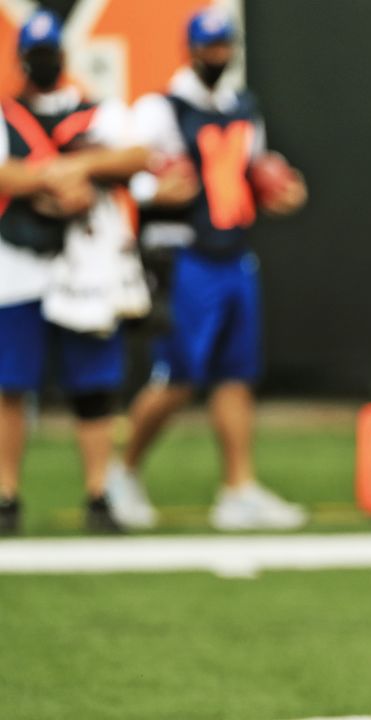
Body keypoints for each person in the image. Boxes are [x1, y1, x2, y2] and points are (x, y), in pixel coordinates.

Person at [105, 6, 309, 531]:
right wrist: (154, 190)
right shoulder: (159, 109)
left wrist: (277, 189)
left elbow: (249, 173)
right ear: (191, 49)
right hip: (184, 253)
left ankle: (238, 489)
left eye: (224, 46)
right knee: (177, 376)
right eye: (209, 47)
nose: (217, 56)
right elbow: (129, 171)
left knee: (236, 376)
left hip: (234, 253)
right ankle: (121, 473)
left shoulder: (242, 106)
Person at [0, 10, 153, 535]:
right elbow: (4, 170)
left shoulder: (96, 112)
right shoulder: (7, 114)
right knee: (10, 384)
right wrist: (54, 179)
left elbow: (136, 155)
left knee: (93, 386)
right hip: (18, 265)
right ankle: (6, 496)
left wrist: (81, 167)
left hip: (85, 266)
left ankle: (97, 495)